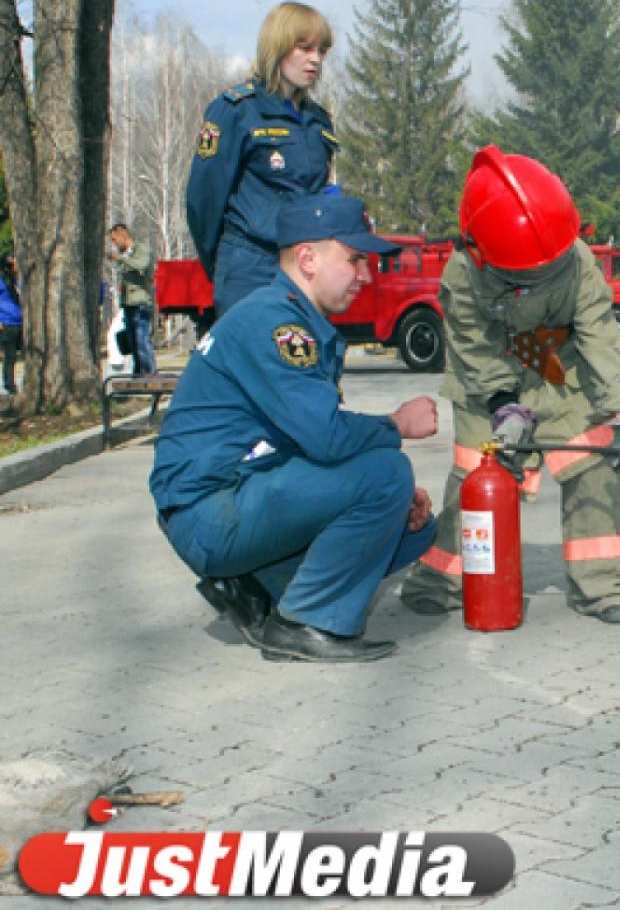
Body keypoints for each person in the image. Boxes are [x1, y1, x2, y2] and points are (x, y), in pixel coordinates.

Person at [149, 193, 439, 663]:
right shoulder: (277, 324)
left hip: (234, 493)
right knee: (387, 474)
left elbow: (305, 437)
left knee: (412, 528)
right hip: (209, 509)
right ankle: (306, 621)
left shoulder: (289, 315)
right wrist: (397, 423)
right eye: (354, 260)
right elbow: (326, 437)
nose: (365, 276)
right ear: (307, 259)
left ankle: (252, 586)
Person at [398, 145, 620, 625]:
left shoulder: (577, 260)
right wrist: (504, 405)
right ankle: (446, 578)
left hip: (558, 366)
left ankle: (612, 583)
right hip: (485, 377)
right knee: (477, 469)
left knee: (592, 459)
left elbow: (600, 337)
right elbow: (474, 347)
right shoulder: (462, 273)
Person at [186, 1, 338, 324]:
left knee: (304, 355)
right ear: (278, 46)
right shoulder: (235, 110)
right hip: (250, 266)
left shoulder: (318, 120)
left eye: (322, 51)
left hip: (304, 269)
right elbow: (203, 200)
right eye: (305, 48)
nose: (315, 59)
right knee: (253, 353)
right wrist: (224, 262)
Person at [107, 224, 157, 375]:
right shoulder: (126, 255)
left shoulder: (141, 250)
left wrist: (121, 259)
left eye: (115, 239)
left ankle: (148, 374)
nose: (114, 244)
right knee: (132, 342)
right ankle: (138, 373)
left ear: (123, 235)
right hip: (129, 304)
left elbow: (141, 264)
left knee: (142, 341)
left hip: (141, 303)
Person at [0, 255, 21, 395]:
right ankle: (9, 384)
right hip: (7, 322)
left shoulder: (17, 281)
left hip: (19, 321)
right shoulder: (2, 282)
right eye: (14, 264)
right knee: (10, 356)